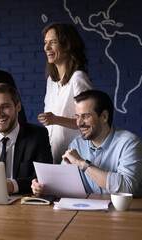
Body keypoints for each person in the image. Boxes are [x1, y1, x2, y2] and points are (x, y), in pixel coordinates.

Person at [32, 90, 142, 196]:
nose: (79, 123)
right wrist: (43, 186)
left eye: (85, 116)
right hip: (90, 211)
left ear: (104, 116)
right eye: (77, 116)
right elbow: (63, 184)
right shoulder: (76, 144)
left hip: (131, 213)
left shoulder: (130, 143)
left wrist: (83, 164)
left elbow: (126, 188)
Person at [37, 23, 93, 164]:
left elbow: (89, 122)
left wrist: (56, 119)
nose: (46, 48)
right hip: (52, 155)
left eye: (53, 42)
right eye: (45, 43)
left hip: (74, 159)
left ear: (67, 45)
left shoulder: (78, 78)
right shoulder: (51, 80)